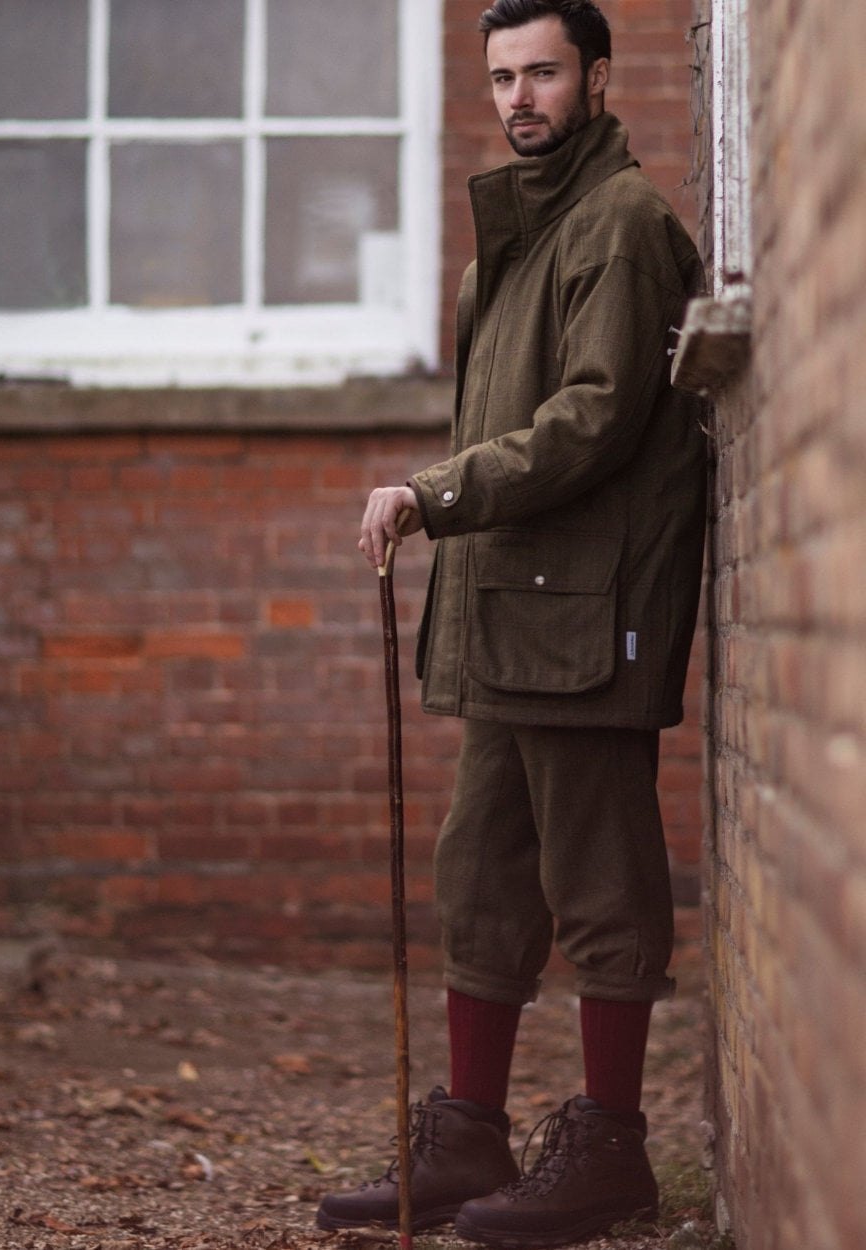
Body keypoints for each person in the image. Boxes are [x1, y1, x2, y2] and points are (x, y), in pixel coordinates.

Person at [316, 1, 708, 1246]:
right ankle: (468, 1134)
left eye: (543, 71)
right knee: (479, 875)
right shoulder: (511, 245)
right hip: (507, 619)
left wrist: (433, 493)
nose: (520, 96)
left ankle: (608, 1147)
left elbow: (592, 420)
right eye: (502, 76)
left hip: (589, 618)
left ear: (597, 75)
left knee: (599, 884)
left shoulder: (625, 225)